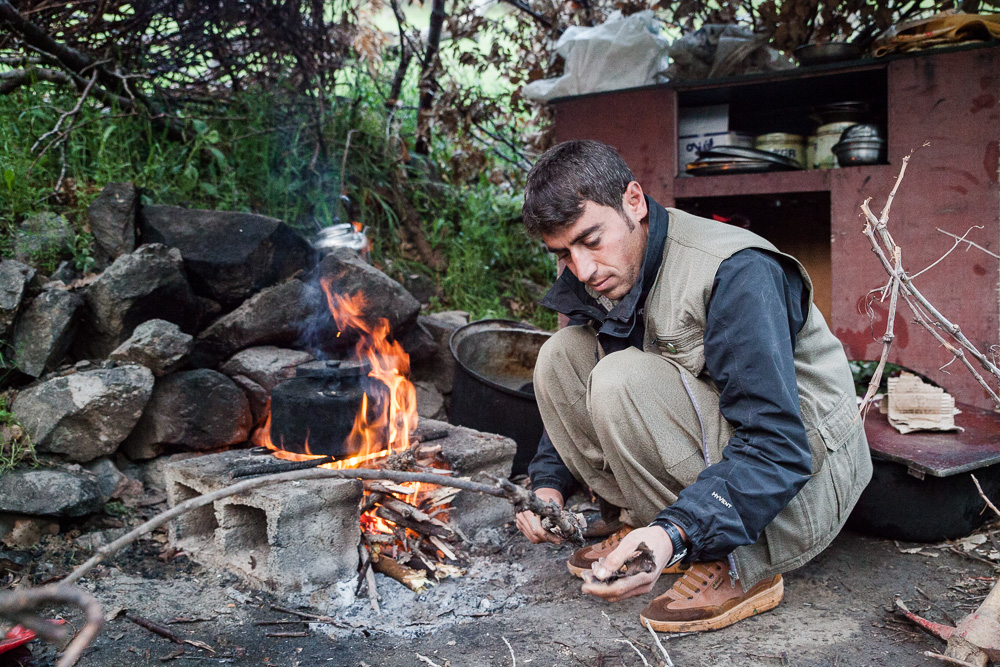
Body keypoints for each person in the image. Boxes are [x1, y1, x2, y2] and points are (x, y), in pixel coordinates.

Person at [515, 140, 872, 633]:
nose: (584, 270)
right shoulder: (605, 271)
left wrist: (674, 533)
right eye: (564, 254)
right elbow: (577, 381)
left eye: (591, 240)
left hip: (800, 487)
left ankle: (737, 559)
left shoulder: (737, 272)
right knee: (559, 356)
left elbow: (776, 445)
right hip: (723, 453)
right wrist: (547, 488)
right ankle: (649, 524)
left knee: (621, 379)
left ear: (634, 202)